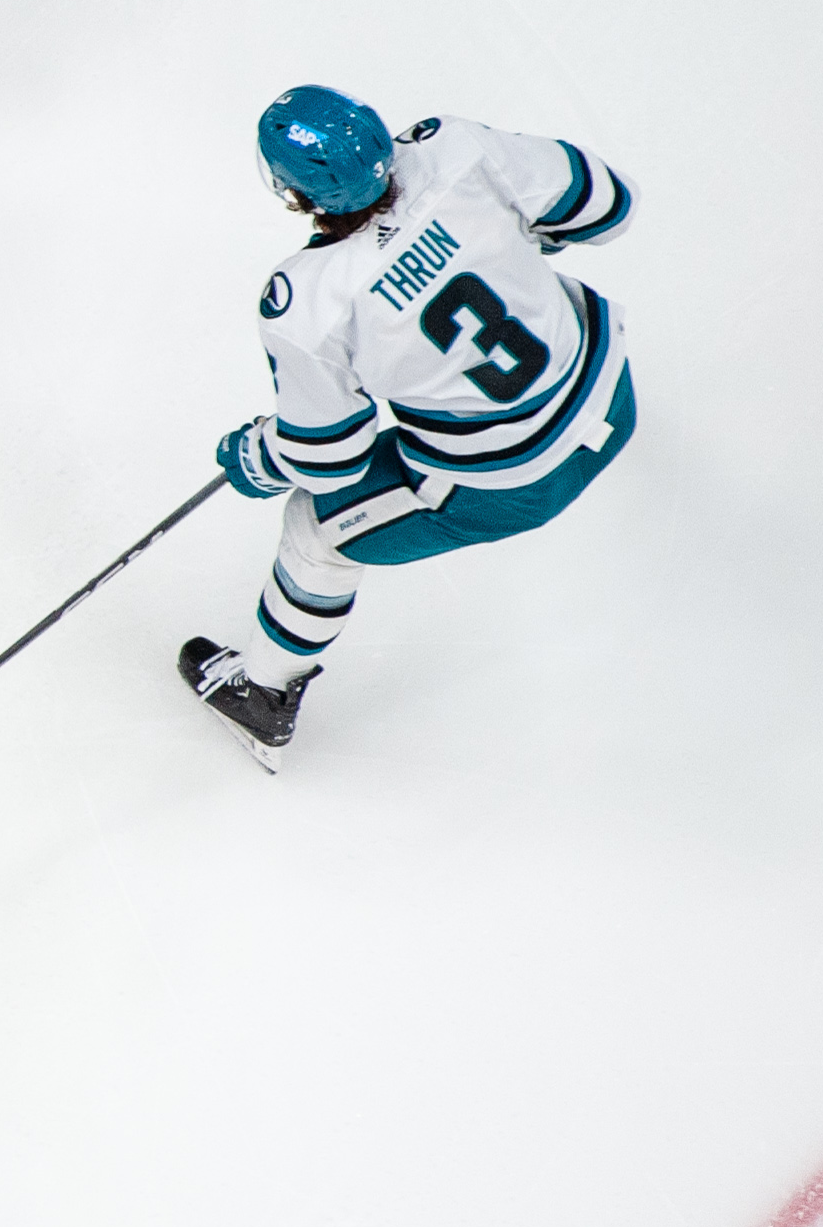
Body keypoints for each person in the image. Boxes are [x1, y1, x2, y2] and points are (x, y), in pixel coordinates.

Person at [185, 88, 638, 761]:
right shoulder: (456, 148)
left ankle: (262, 695)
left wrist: (258, 456)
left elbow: (328, 458)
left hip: (516, 484)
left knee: (317, 530)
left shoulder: (308, 300)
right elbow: (606, 204)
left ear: (295, 194)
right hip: (612, 400)